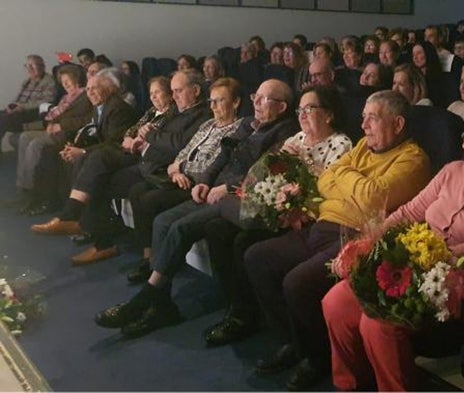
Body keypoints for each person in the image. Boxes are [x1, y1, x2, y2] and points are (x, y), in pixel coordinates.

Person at [323, 103, 464, 391]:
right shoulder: (452, 171)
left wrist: (417, 257)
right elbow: (409, 212)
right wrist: (370, 240)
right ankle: (352, 384)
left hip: (451, 284)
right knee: (334, 301)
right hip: (407, 266)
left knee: (378, 323)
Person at [243, 90, 432, 391]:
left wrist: (345, 176)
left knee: (298, 282)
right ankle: (294, 341)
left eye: (373, 118)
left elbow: (374, 199)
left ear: (397, 124)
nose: (364, 125)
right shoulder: (362, 147)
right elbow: (324, 180)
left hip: (356, 235)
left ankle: (317, 358)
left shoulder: (413, 159)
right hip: (321, 225)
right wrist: (352, 180)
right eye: (363, 117)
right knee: (257, 257)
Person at [93, 79, 299, 338]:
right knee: (163, 221)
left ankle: (147, 298)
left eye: (264, 99)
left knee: (180, 228)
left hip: (236, 197)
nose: (255, 102)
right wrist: (204, 182)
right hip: (212, 189)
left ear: (281, 107)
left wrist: (227, 188)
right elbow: (221, 157)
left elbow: (265, 171)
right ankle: (162, 305)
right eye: (256, 96)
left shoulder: (284, 133)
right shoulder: (250, 125)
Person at [202, 85, 353, 347]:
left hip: (305, 215)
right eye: (300, 110)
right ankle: (239, 309)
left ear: (328, 115)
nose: (303, 115)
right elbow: (268, 173)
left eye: (310, 109)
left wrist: (300, 164)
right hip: (274, 208)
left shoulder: (340, 143)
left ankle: (253, 319)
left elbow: (327, 187)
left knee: (242, 243)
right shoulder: (295, 139)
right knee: (216, 229)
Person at [31, 72, 209, 264]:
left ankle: (78, 218)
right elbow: (142, 132)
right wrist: (142, 138)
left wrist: (148, 138)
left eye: (178, 91)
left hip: (157, 167)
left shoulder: (198, 114)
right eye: (172, 91)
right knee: (98, 179)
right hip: (146, 162)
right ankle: (98, 238)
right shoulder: (174, 111)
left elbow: (176, 143)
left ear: (196, 90)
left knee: (99, 160)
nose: (174, 96)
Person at [125, 77, 243, 281]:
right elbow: (183, 153)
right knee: (151, 207)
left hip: (199, 186)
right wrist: (175, 170)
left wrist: (180, 168)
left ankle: (155, 278)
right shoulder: (207, 124)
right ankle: (155, 273)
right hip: (181, 179)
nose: (213, 107)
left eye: (219, 101)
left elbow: (208, 165)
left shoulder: (238, 129)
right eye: (211, 101)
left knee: (154, 205)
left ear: (236, 103)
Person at [28, 71, 138, 237]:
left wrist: (83, 151)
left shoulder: (118, 108)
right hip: (108, 153)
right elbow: (97, 135)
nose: (90, 93)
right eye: (87, 89)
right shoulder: (99, 107)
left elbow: (116, 142)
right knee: (70, 158)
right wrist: (75, 147)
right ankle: (81, 223)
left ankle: (73, 217)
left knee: (89, 159)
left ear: (108, 89)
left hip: (125, 155)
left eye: (95, 88)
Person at [17, 64, 92, 216]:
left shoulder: (85, 95)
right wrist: (52, 123)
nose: (65, 85)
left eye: (68, 81)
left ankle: (32, 189)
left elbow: (86, 119)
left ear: (76, 79)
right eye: (63, 82)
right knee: (24, 137)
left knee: (36, 144)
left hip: (66, 133)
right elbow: (54, 114)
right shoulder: (66, 97)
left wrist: (60, 125)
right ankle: (25, 185)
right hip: (55, 129)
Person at [0, 55, 56, 143]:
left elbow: (47, 101)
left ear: (42, 66)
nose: (29, 68)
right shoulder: (27, 81)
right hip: (19, 111)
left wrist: (23, 107)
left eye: (32, 65)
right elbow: (18, 98)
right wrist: (11, 106)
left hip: (33, 113)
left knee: (2, 120)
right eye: (27, 66)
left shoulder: (49, 81)